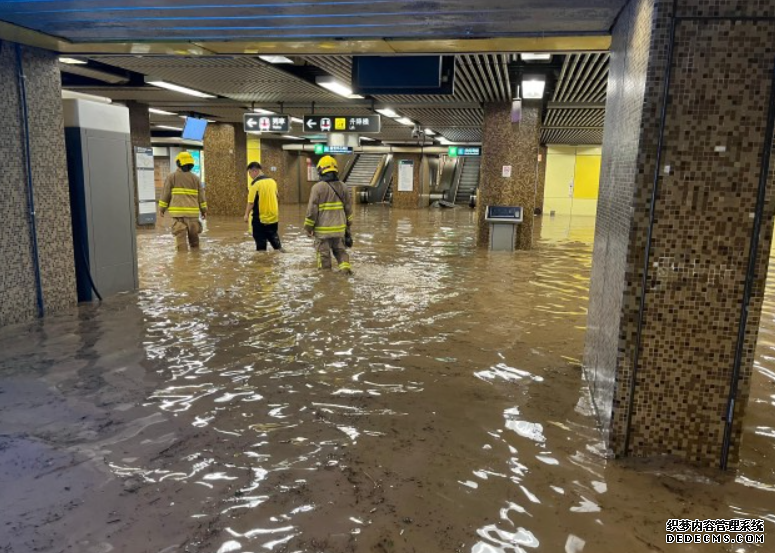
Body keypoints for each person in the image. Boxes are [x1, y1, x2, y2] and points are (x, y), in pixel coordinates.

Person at [304, 156, 353, 274]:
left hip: (322, 232)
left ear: (321, 170)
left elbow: (312, 210)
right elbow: (348, 210)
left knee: (324, 259)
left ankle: (326, 281)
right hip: (339, 230)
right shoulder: (343, 187)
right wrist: (348, 228)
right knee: (341, 252)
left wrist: (308, 227)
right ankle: (345, 270)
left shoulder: (317, 188)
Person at [159, 151, 207, 250]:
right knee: (194, 241)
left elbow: (165, 195)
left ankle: (182, 262)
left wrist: (162, 209)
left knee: (180, 239)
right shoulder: (196, 179)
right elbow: (202, 197)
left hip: (178, 215)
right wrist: (204, 210)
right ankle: (196, 260)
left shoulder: (171, 177)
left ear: (178, 163)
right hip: (193, 214)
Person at [243, 162, 283, 251]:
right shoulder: (272, 181)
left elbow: (251, 202)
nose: (250, 175)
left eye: (249, 173)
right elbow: (277, 197)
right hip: (274, 216)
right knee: (274, 239)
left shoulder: (255, 184)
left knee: (260, 243)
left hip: (260, 218)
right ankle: (281, 252)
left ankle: (262, 263)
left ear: (254, 171)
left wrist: (246, 215)